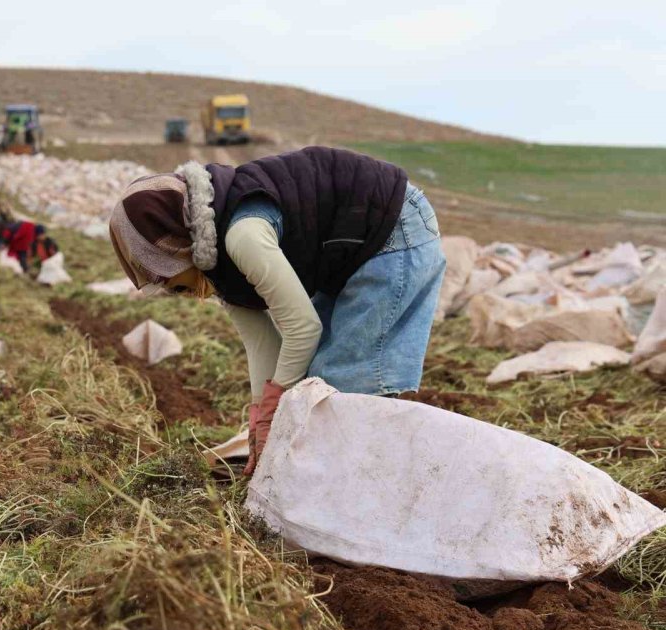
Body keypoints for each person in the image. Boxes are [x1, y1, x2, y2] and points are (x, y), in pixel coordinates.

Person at [108, 147, 446, 476]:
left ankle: (376, 483)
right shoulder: (215, 262)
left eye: (175, 284)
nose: (180, 294)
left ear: (179, 246)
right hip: (348, 254)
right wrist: (260, 420)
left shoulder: (243, 237)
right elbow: (263, 346)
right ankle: (336, 482)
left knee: (342, 383)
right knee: (316, 382)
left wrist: (274, 408)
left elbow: (303, 329)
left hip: (394, 228)